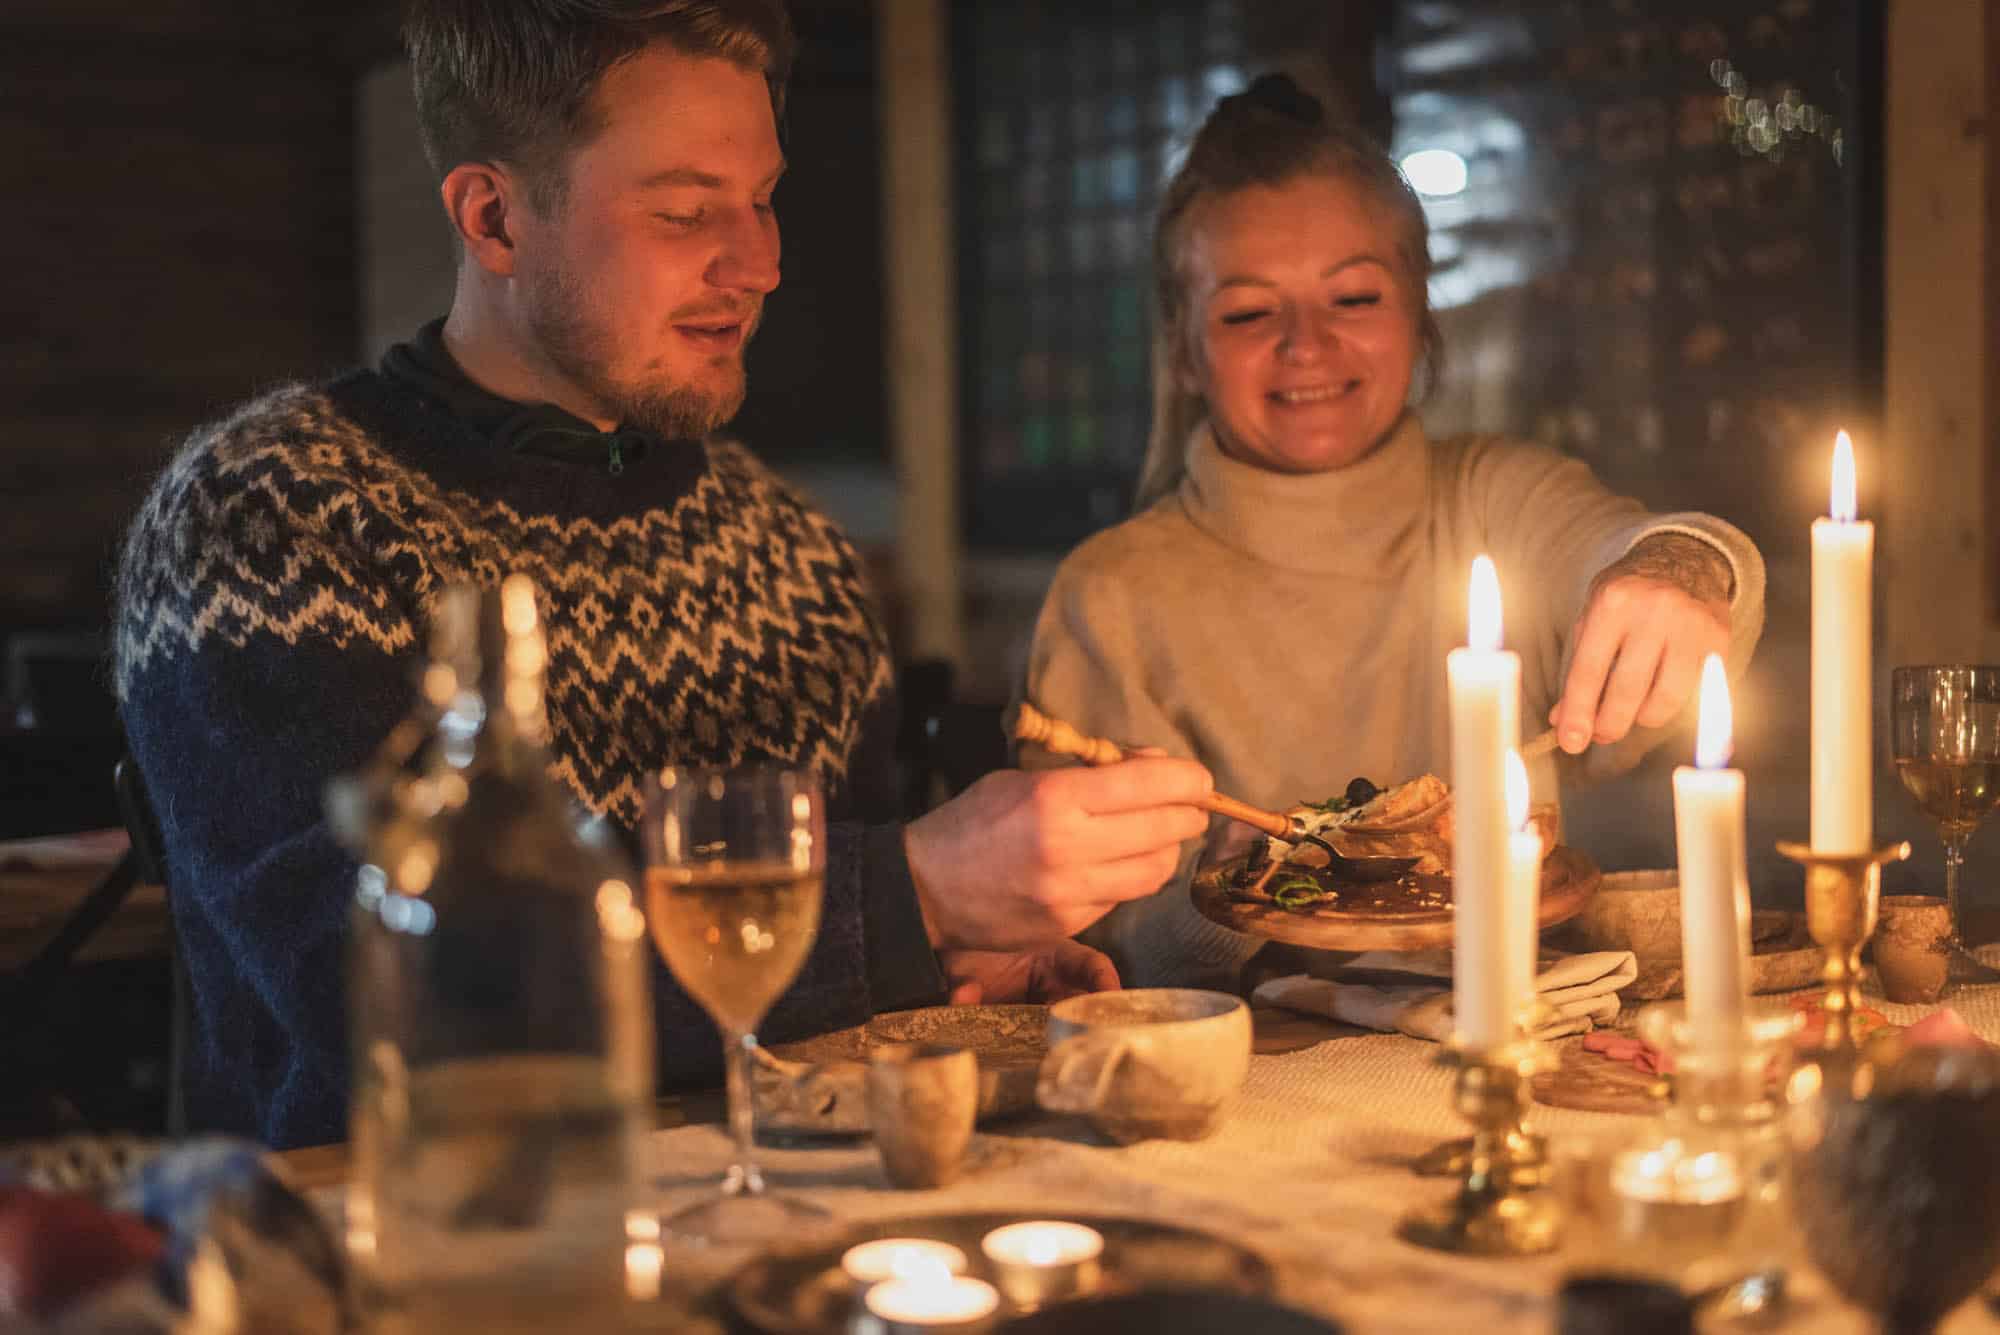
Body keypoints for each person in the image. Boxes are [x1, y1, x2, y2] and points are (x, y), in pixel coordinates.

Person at [111, 0, 1212, 1150]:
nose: (761, 266)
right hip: (422, 1261)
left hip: (789, 1226)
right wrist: (916, 891)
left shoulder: (786, 553)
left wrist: (955, 957)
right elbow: (381, 994)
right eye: (686, 211)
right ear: (493, 218)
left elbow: (826, 981)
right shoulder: (270, 521)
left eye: (764, 201)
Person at [1019, 74, 1765, 992]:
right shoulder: (1113, 594)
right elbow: (1090, 962)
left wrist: (1678, 566)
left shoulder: (1493, 498)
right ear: (1181, 349)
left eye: (1355, 299)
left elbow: (1637, 545)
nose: (1306, 345)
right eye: (1250, 312)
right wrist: (1232, 894)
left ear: (1420, 315)